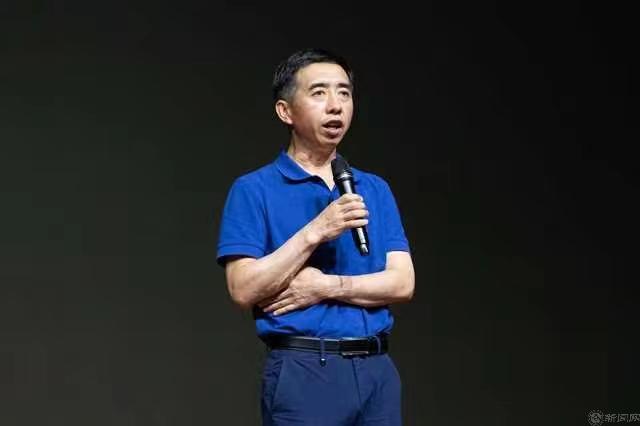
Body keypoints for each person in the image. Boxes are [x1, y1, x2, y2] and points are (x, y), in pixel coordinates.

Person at [216, 48, 415, 426]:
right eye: (319, 93)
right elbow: (243, 289)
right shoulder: (254, 189)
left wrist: (325, 286)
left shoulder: (373, 188)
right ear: (285, 111)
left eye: (344, 93)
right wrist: (316, 231)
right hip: (305, 369)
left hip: (377, 371)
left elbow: (402, 282)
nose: (335, 106)